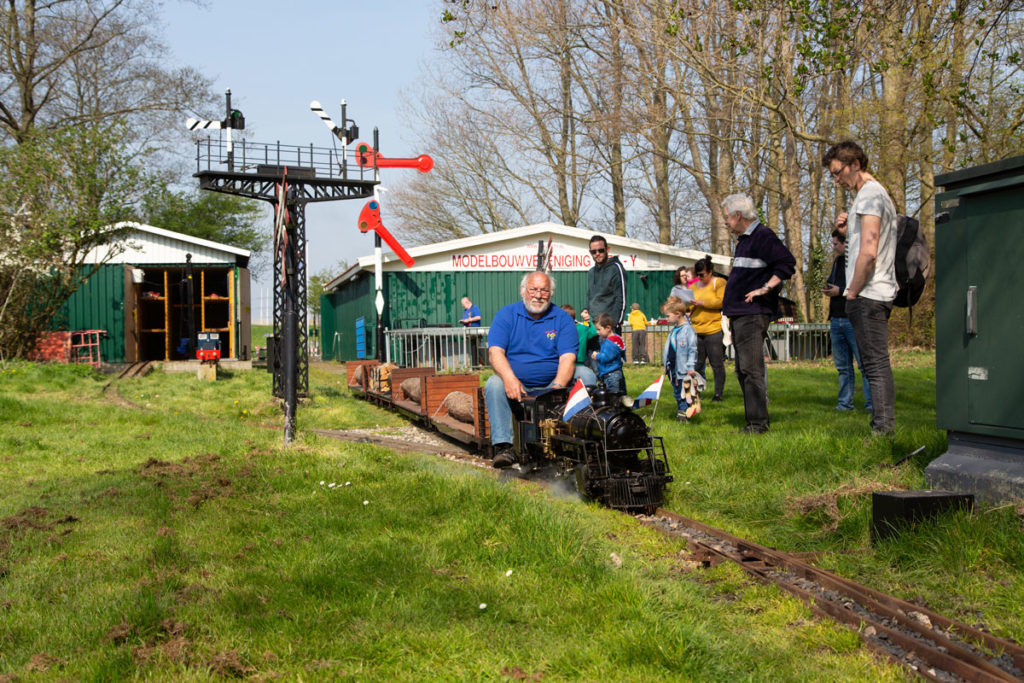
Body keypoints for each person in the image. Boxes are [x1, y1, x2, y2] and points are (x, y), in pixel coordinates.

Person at [822, 140, 897, 435]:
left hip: (868, 294)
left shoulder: (869, 195)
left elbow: (869, 252)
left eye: (838, 172)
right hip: (873, 292)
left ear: (855, 164)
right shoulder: (873, 196)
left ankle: (882, 432)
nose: (837, 180)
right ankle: (882, 428)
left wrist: (851, 291)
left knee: (874, 366)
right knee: (874, 364)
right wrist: (846, 230)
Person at [485, 271, 596, 468]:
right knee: (494, 383)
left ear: (551, 293)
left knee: (586, 375)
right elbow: (495, 353)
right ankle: (505, 447)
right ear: (523, 292)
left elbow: (568, 358)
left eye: (544, 290)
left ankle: (581, 436)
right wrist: (510, 379)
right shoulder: (506, 314)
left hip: (553, 381)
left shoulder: (562, 318)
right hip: (518, 384)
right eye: (533, 289)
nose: (538, 295)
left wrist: (557, 388)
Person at [721, 193, 796, 434]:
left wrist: (765, 288)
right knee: (742, 369)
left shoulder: (763, 236)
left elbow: (786, 263)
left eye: (726, 217)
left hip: (752, 314)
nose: (725, 222)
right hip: (740, 314)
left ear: (738, 215)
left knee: (751, 369)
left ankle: (757, 424)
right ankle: (753, 419)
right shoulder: (744, 240)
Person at [824, 229, 872, 413]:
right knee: (843, 366)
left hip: (853, 319)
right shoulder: (837, 262)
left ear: (846, 243)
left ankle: (871, 404)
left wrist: (841, 291)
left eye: (836, 244)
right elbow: (833, 283)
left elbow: (862, 287)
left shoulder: (858, 262)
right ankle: (845, 404)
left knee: (864, 365)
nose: (834, 247)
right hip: (836, 319)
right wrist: (830, 289)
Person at [688, 255, 727, 402]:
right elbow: (689, 306)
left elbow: (721, 302)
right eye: (697, 275)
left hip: (714, 330)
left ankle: (718, 394)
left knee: (716, 363)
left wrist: (702, 302)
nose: (699, 278)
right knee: (697, 364)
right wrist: (688, 303)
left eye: (702, 275)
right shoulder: (693, 286)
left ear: (710, 271)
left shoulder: (719, 283)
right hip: (696, 330)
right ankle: (696, 392)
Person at [662, 297, 698, 422]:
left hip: (683, 369)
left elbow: (692, 350)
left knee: (682, 393)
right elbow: (669, 350)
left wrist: (690, 367)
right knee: (677, 392)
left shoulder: (688, 331)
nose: (666, 319)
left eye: (668, 316)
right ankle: (685, 411)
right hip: (672, 369)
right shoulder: (673, 330)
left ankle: (683, 416)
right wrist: (666, 366)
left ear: (678, 314)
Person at [586, 235, 627, 333]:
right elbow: (590, 295)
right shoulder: (591, 272)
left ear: (607, 249)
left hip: (609, 329)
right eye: (593, 251)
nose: (597, 254)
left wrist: (615, 324)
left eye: (600, 250)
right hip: (593, 326)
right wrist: (585, 309)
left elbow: (621, 299)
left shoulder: (616, 269)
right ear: (590, 252)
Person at [591, 313, 626, 393]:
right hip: (617, 372)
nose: (597, 332)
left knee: (612, 396)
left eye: (599, 329)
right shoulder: (616, 338)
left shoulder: (609, 342)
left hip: (610, 374)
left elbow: (606, 357)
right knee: (621, 395)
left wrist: (597, 356)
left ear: (608, 328)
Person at [561, 304, 598, 371]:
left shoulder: (559, 330)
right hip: (580, 363)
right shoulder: (582, 328)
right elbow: (594, 331)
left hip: (563, 362)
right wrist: (590, 318)